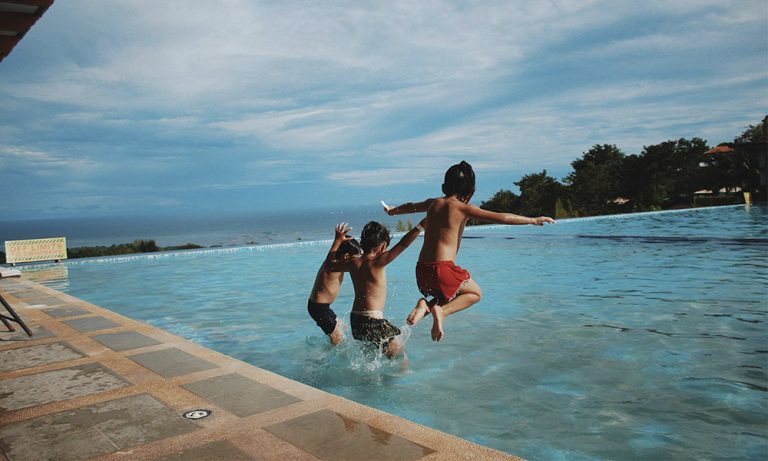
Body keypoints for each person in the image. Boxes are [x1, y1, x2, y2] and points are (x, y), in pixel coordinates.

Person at [383, 160, 554, 342]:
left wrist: (392, 211)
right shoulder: (463, 208)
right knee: (474, 293)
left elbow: (411, 206)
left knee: (447, 294)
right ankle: (441, 311)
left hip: (422, 270)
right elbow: (502, 217)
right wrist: (533, 220)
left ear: (444, 186)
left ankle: (424, 306)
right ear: (470, 191)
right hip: (443, 269)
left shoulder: (433, 203)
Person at [325, 219, 426, 358]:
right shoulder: (378, 262)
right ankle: (401, 377)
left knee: (370, 355)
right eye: (386, 246)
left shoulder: (353, 263)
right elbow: (403, 244)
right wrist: (420, 227)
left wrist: (337, 241)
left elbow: (329, 265)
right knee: (399, 356)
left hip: (356, 320)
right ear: (381, 247)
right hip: (372, 321)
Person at [308, 223, 362, 345]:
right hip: (318, 308)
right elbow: (331, 257)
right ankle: (327, 360)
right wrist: (337, 240)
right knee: (337, 339)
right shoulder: (332, 265)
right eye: (355, 258)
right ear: (346, 256)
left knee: (343, 329)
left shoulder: (338, 263)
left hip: (322, 307)